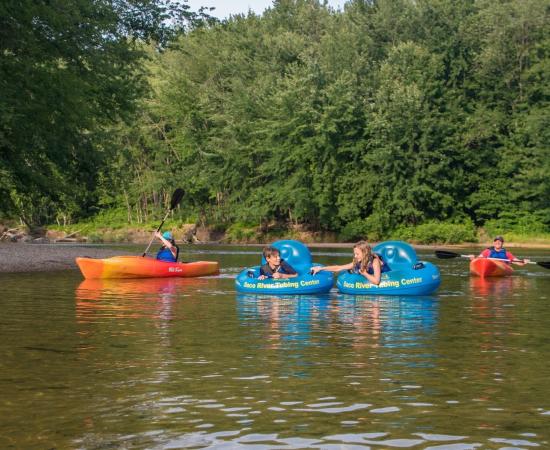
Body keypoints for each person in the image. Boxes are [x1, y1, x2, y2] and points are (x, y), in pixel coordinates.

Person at [310, 240, 385, 285]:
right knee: (353, 269)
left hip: (384, 272)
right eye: (354, 254)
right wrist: (321, 268)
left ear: (365, 253)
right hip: (367, 270)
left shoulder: (375, 262)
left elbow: (377, 281)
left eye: (357, 254)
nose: (355, 256)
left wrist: (365, 273)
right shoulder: (357, 261)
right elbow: (338, 267)